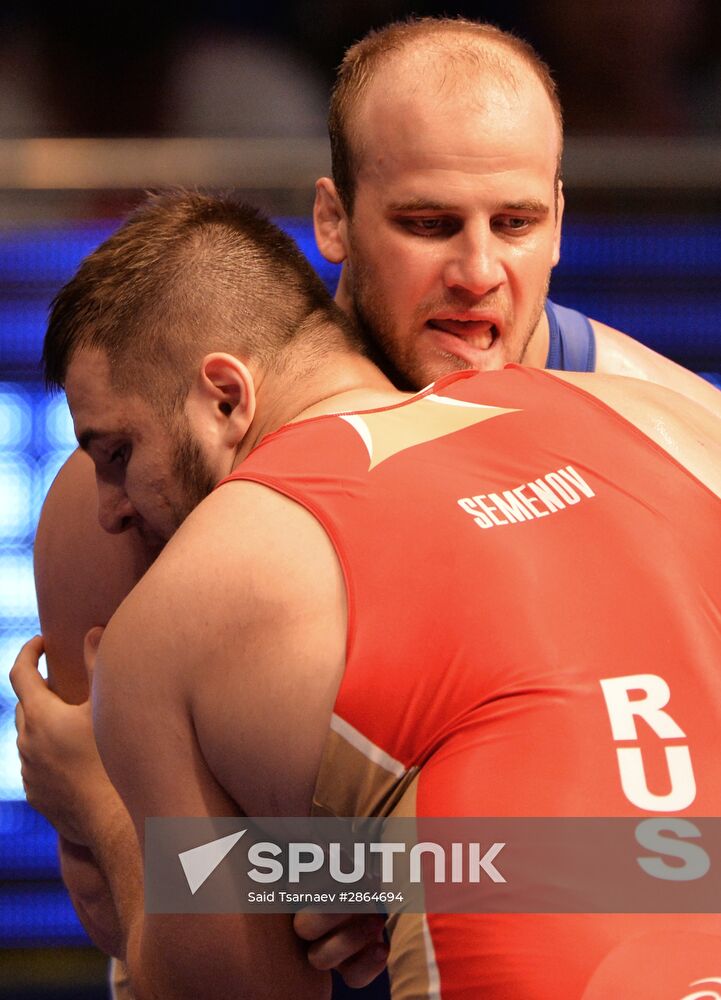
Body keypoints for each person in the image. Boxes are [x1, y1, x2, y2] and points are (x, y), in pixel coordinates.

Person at [12, 191, 721, 999]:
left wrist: (95, 799)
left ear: (226, 396)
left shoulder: (181, 608)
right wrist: (354, 869)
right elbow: (635, 844)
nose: (110, 509)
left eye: (116, 451)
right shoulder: (663, 417)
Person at [313, 17, 721, 416]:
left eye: (514, 223)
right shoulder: (261, 417)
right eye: (429, 224)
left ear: (557, 225)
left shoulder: (659, 413)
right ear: (333, 220)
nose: (478, 276)